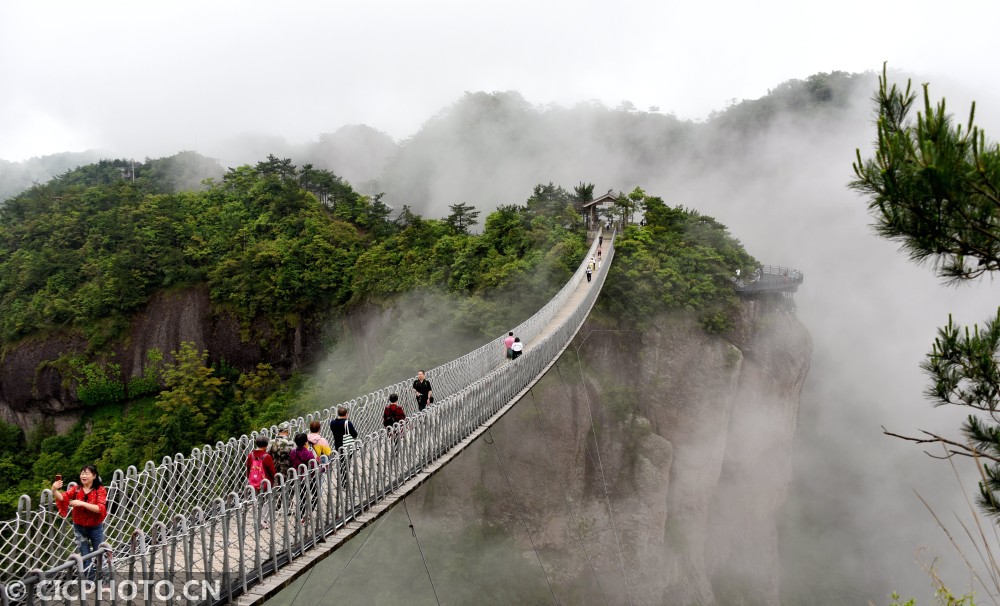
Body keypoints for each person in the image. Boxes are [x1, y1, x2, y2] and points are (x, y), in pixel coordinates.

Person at [53, 465, 108, 580]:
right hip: (79, 527)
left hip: (95, 527)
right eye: (82, 473)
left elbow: (100, 509)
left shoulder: (100, 490)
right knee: (85, 556)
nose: (83, 475)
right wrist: (54, 490)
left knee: (100, 555)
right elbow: (63, 498)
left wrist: (81, 503)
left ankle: (104, 579)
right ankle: (91, 581)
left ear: (94, 476)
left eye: (87, 473)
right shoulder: (76, 489)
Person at [329, 406, 359, 494]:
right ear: (346, 414)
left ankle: (341, 480)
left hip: (337, 446)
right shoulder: (347, 423)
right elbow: (354, 434)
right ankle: (344, 482)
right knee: (346, 463)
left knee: (341, 463)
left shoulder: (332, 423)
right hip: (347, 446)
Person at [289, 433, 318, 517]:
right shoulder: (309, 454)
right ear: (306, 442)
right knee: (316, 495)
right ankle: (309, 512)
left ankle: (301, 515)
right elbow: (313, 466)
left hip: (297, 477)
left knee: (301, 496)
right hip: (309, 478)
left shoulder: (293, 452)